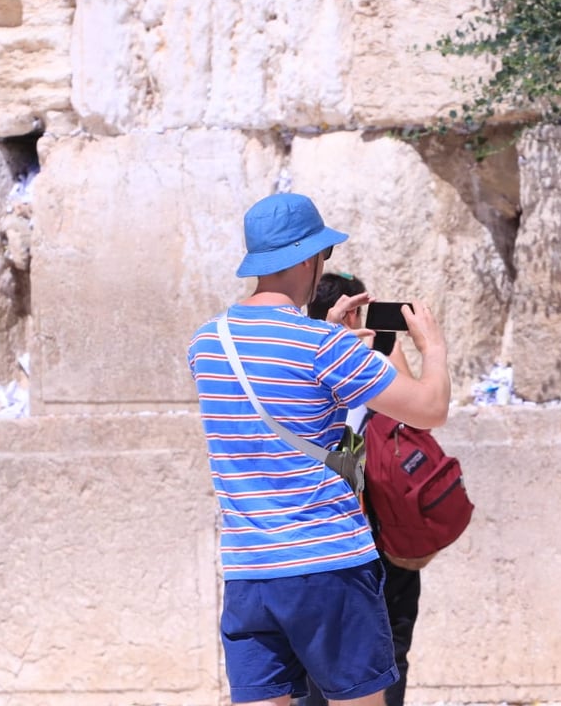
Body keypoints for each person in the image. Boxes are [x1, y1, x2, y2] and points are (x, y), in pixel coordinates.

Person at [187, 192, 451, 706]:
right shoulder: (322, 348)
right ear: (309, 257)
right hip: (329, 563)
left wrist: (325, 335)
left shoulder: (207, 343)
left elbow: (293, 417)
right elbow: (429, 408)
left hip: (250, 571)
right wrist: (432, 348)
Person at [297, 272, 423, 706]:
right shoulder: (366, 361)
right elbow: (419, 414)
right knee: (388, 647)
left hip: (320, 529)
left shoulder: (300, 362)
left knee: (315, 653)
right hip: (376, 527)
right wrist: (393, 347)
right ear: (353, 312)